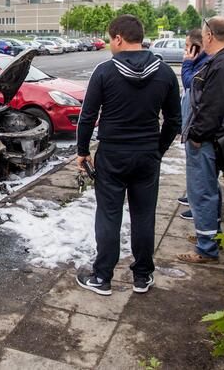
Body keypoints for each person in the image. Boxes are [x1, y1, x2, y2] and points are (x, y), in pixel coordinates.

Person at [75, 15, 181, 296]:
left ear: (119, 38)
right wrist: (158, 149)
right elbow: (174, 120)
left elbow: (87, 117)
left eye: (111, 39)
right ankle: (143, 276)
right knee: (144, 215)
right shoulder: (165, 73)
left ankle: (102, 277)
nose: (110, 44)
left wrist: (82, 151)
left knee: (109, 215)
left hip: (112, 154)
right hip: (147, 154)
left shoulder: (104, 72)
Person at [178, 17, 224, 264]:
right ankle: (210, 236)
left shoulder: (223, 64)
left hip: (205, 140)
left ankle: (206, 248)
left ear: (209, 36)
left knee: (201, 192)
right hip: (209, 139)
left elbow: (213, 107)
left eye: (204, 34)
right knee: (208, 189)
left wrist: (196, 136)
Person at [176, 29, 210, 218]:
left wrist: (187, 63)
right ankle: (193, 198)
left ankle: (198, 208)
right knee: (194, 166)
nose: (185, 51)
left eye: (188, 47)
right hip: (192, 126)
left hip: (197, 129)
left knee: (200, 171)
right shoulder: (202, 62)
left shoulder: (203, 64)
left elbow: (190, 83)